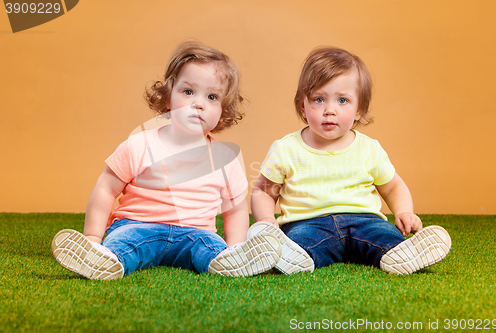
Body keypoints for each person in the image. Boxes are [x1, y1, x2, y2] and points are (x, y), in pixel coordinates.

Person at [51, 41, 281, 280]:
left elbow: (235, 211)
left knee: (212, 249)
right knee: (124, 243)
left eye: (212, 97)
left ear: (223, 110)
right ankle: (101, 258)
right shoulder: (139, 145)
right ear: (168, 97)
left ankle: (232, 262)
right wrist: (92, 238)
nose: (198, 103)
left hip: (195, 233)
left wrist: (236, 246)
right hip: (137, 225)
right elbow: (105, 190)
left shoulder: (225, 159)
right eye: (188, 92)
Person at [250, 46, 451, 275]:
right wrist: (267, 219)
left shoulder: (369, 148)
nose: (330, 110)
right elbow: (264, 191)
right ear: (302, 107)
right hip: (308, 223)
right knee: (298, 242)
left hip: (364, 221)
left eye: (343, 100)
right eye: (319, 99)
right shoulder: (285, 149)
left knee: (383, 235)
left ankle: (402, 253)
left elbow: (393, 186)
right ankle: (288, 256)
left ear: (359, 110)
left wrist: (404, 211)